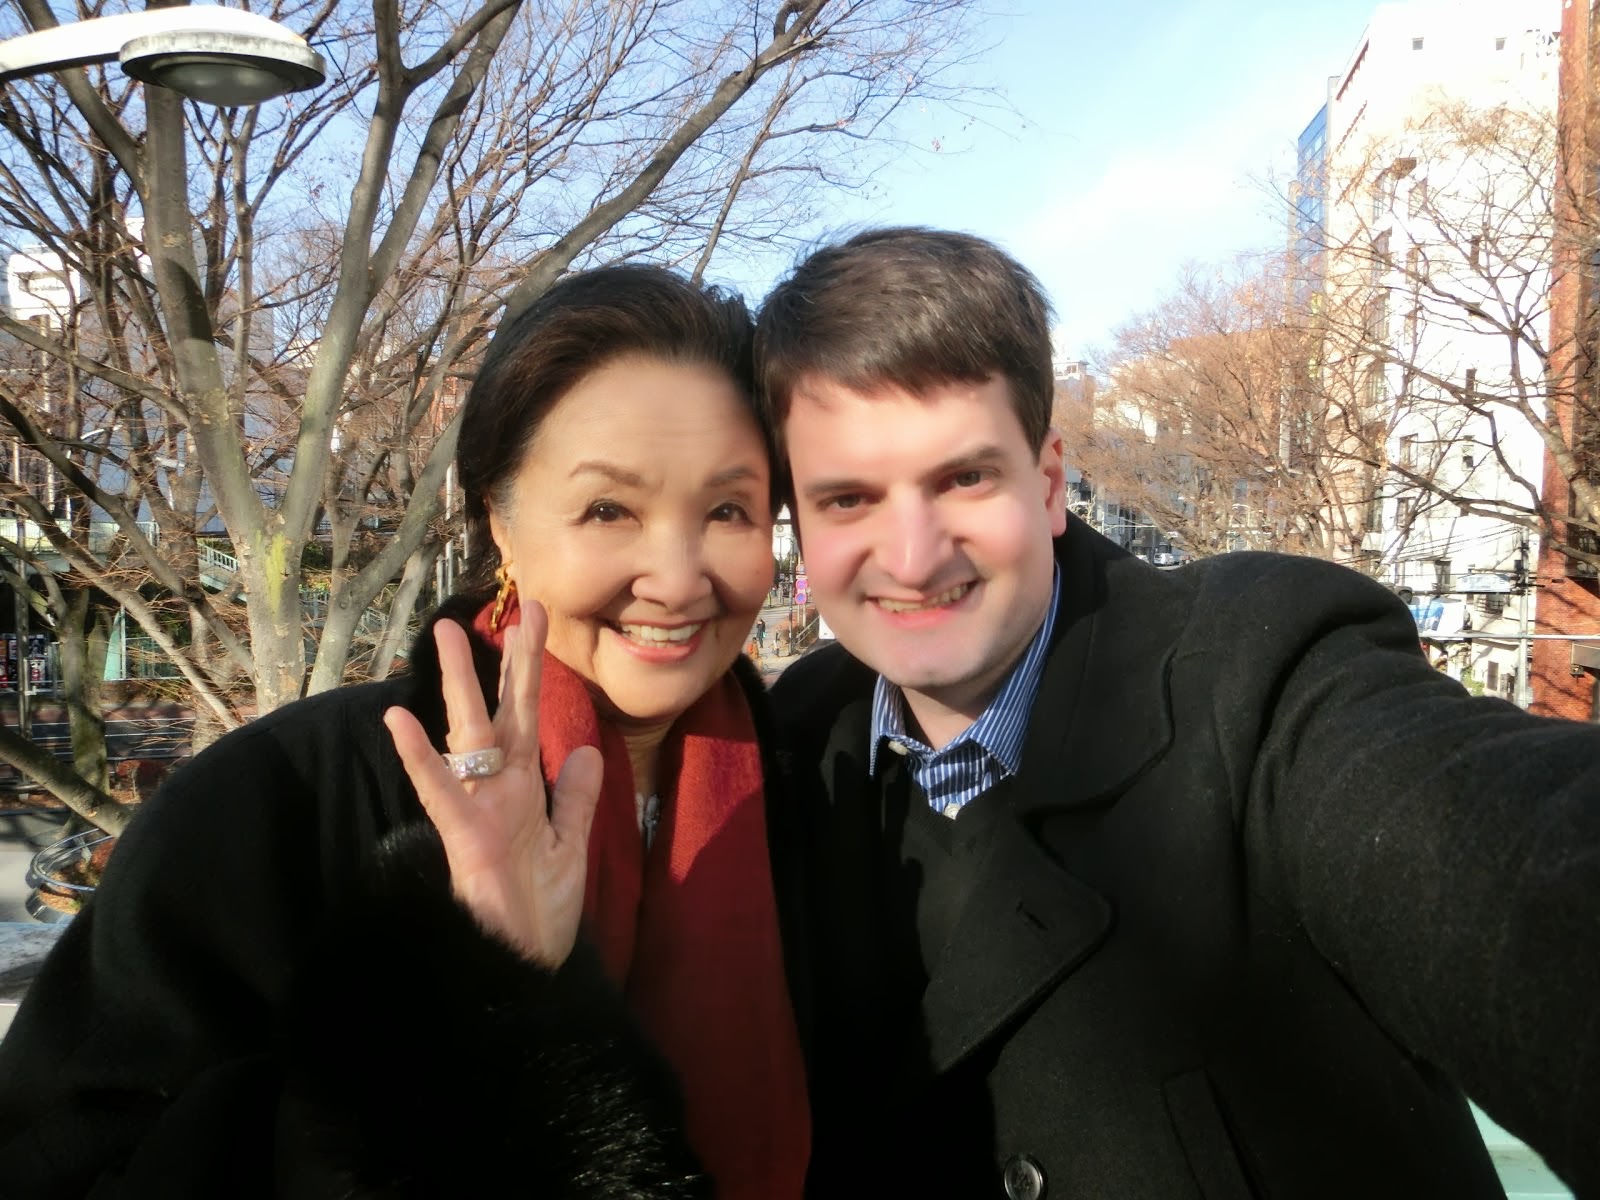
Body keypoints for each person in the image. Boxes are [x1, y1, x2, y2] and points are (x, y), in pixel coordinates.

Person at [755, 227, 1600, 1199]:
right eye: (848, 499)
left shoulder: (1260, 681)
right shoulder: (795, 746)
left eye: (963, 478)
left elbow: (1510, 862)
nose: (909, 556)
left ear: (1048, 482)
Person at [0, 265, 811, 1198]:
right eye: (607, 509)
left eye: (727, 511)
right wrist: (476, 994)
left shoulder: (816, 785)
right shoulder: (279, 802)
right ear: (498, 523)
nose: (676, 578)